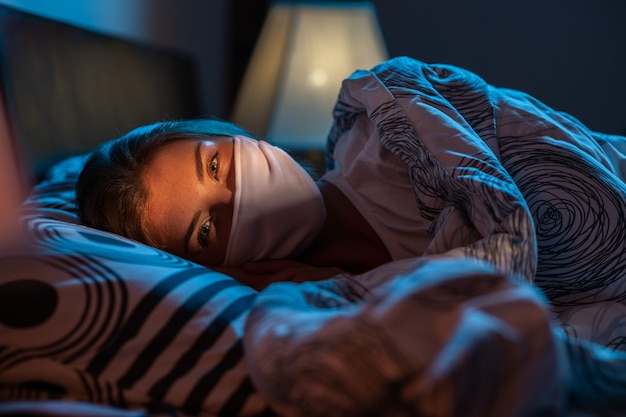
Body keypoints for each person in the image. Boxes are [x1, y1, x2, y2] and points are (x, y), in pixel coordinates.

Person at [76, 56, 626, 309]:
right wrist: (342, 285)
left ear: (228, 134)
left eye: (215, 165)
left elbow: (523, 228)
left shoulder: (384, 127)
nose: (236, 193)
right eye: (204, 229)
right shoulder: (323, 303)